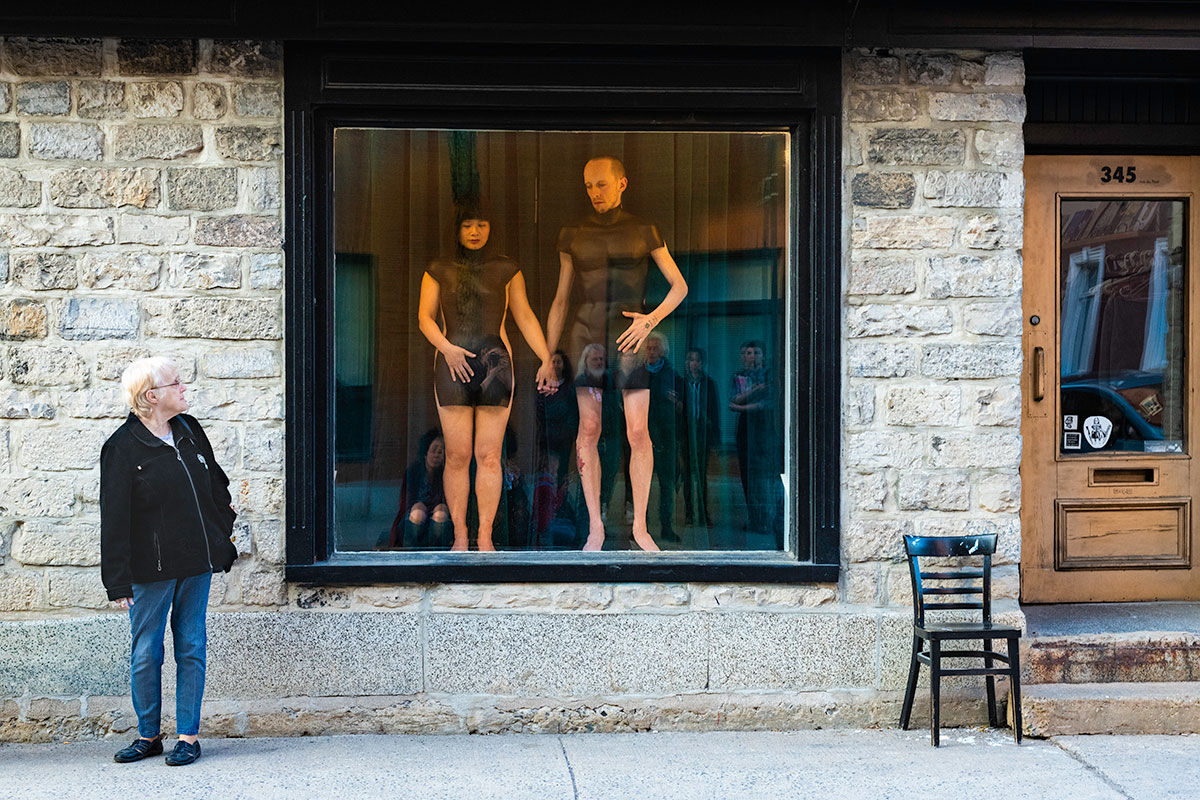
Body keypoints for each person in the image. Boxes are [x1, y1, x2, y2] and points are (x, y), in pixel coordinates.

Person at [100, 356, 239, 767]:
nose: (183, 388)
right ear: (151, 396)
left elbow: (215, 479)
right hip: (150, 570)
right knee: (147, 651)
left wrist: (222, 525)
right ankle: (148, 736)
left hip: (196, 560)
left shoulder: (189, 429)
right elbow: (115, 518)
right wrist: (118, 582)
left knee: (191, 645)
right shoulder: (122, 449)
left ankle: (188, 737)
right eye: (175, 383)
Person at [546, 156, 689, 551]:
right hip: (585, 335)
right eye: (589, 185)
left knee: (638, 431)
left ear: (622, 183)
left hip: (629, 340)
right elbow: (560, 300)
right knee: (588, 430)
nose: (595, 192)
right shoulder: (571, 233)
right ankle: (596, 527)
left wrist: (650, 321)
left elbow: (679, 286)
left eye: (602, 185)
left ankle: (640, 526)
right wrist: (546, 356)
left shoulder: (644, 229)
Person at [418, 199, 556, 551]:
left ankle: (485, 538)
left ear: (491, 228)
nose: (475, 231)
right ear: (457, 229)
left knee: (490, 456)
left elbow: (524, 316)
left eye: (481, 224)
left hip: (497, 367)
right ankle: (461, 538)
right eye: (467, 225)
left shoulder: (507, 269)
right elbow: (424, 318)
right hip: (452, 364)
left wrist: (546, 358)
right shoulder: (438, 267)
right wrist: (447, 348)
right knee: (457, 455)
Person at [729, 340, 782, 544]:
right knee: (746, 473)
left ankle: (767, 519)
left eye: (756, 352)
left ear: (763, 355)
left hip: (764, 427)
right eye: (748, 353)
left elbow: (768, 403)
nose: (752, 356)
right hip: (744, 426)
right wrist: (754, 392)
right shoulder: (738, 375)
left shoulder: (769, 375)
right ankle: (753, 517)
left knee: (764, 473)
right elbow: (732, 400)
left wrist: (743, 404)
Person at [643, 333, 681, 543]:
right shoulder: (639, 374)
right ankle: (642, 528)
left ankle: (666, 527)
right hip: (643, 438)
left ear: (664, 351)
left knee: (666, 485)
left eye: (655, 347)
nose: (651, 351)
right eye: (648, 347)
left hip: (666, 439)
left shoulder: (672, 375)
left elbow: (680, 409)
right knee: (642, 486)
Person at [387, 428, 449, 549]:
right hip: (414, 520)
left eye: (441, 451)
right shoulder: (413, 472)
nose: (437, 454)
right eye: (434, 450)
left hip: (438, 520)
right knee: (417, 512)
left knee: (440, 512)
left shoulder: (447, 474)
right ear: (425, 452)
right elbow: (406, 503)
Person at [679, 346, 720, 528]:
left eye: (697, 360)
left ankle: (704, 513)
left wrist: (715, 439)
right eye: (690, 359)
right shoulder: (680, 383)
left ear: (702, 363)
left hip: (702, 433)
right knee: (687, 475)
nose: (693, 363)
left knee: (701, 476)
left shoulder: (708, 383)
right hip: (685, 433)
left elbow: (714, 411)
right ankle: (689, 513)